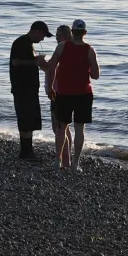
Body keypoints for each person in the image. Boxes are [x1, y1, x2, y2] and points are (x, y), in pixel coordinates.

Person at [46, 19, 100, 171]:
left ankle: (58, 160)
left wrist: (50, 87)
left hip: (64, 92)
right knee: (79, 129)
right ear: (85, 33)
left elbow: (51, 67)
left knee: (61, 127)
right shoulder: (89, 50)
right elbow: (95, 75)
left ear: (72, 31)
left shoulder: (62, 46)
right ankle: (75, 163)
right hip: (83, 93)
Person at [9, 21, 52, 160]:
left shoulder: (27, 44)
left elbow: (22, 61)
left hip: (27, 88)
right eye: (42, 35)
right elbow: (16, 62)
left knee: (28, 119)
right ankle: (26, 151)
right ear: (36, 31)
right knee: (26, 119)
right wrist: (36, 61)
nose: (42, 39)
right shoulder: (22, 42)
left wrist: (37, 61)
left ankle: (26, 150)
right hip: (23, 87)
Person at [45, 24, 73, 169]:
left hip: (59, 92)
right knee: (63, 128)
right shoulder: (68, 48)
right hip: (62, 91)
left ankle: (65, 161)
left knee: (59, 128)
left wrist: (44, 65)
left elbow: (55, 69)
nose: (56, 37)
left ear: (67, 36)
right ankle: (66, 160)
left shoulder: (63, 49)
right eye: (56, 34)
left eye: (59, 34)